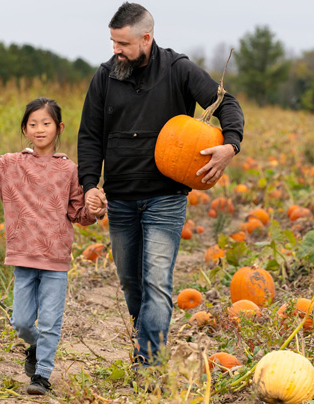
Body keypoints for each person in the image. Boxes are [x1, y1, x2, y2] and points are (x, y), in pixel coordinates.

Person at [77, 2, 245, 369]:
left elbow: (226, 102)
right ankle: (146, 339)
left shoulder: (178, 69)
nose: (115, 50)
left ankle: (149, 360)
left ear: (146, 38)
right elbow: (90, 136)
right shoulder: (105, 77)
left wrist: (230, 144)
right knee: (131, 284)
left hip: (165, 198)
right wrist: (90, 184)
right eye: (112, 42)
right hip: (120, 198)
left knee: (156, 281)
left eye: (122, 43)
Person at [0, 97, 100, 395]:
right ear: (25, 129)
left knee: (51, 321)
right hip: (23, 257)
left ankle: (42, 376)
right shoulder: (12, 165)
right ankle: (36, 346)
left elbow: (78, 214)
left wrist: (96, 210)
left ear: (59, 128)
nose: (40, 129)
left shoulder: (68, 170)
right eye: (33, 124)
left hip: (55, 260)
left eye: (46, 123)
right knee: (22, 322)